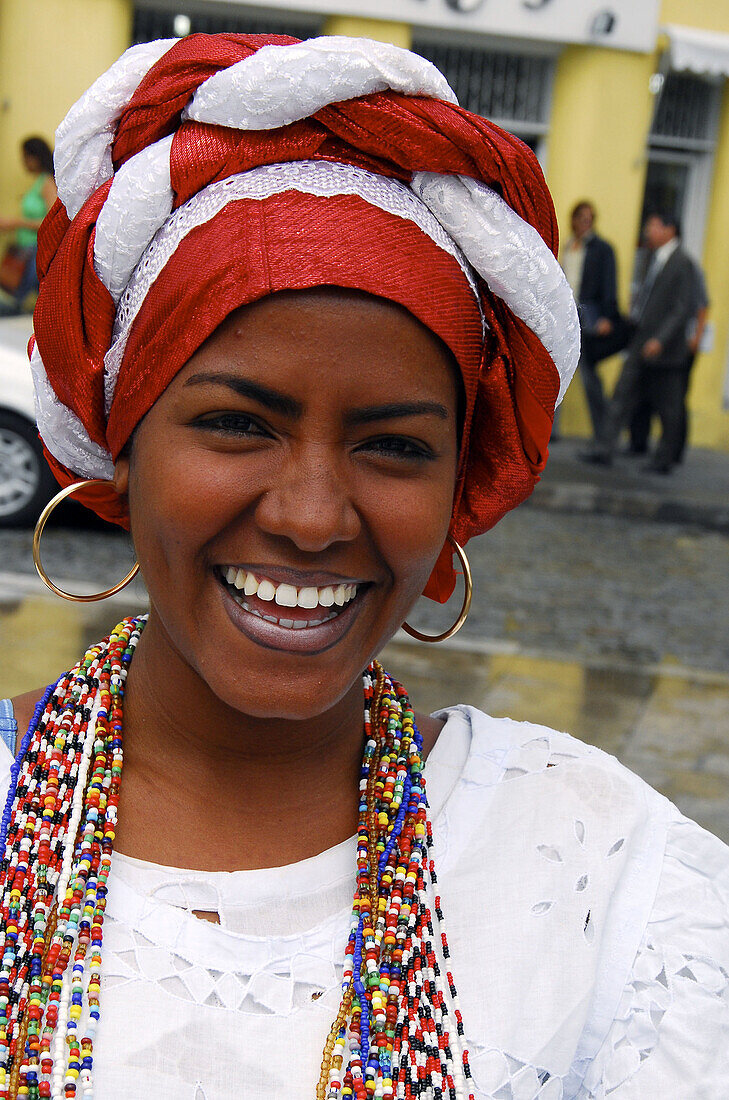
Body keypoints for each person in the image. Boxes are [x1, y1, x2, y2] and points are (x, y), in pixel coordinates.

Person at [1, 35, 727, 1099]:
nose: (310, 516)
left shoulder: (599, 878)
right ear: (123, 441)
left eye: (395, 445)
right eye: (239, 423)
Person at [583, 211, 698, 473]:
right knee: (622, 391)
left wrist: (661, 339)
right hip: (640, 338)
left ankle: (664, 459)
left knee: (668, 406)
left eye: (653, 225)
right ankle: (604, 449)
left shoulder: (683, 263)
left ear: (670, 229)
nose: (648, 231)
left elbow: (681, 309)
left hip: (666, 349)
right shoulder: (651, 257)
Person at [559, 201, 622, 447]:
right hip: (567, 316)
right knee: (559, 371)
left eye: (590, 219)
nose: (586, 223)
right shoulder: (568, 246)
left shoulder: (602, 249)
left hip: (589, 317)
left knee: (589, 377)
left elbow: (609, 284)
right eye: (582, 218)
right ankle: (550, 431)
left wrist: (607, 315)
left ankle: (604, 435)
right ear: (573, 220)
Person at [0, 136, 57, 313]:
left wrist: (16, 222)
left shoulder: (47, 183)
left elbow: (53, 223)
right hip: (24, 252)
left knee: (15, 303)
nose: (23, 162)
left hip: (36, 252)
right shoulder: (38, 182)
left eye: (25, 157)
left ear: (35, 157)